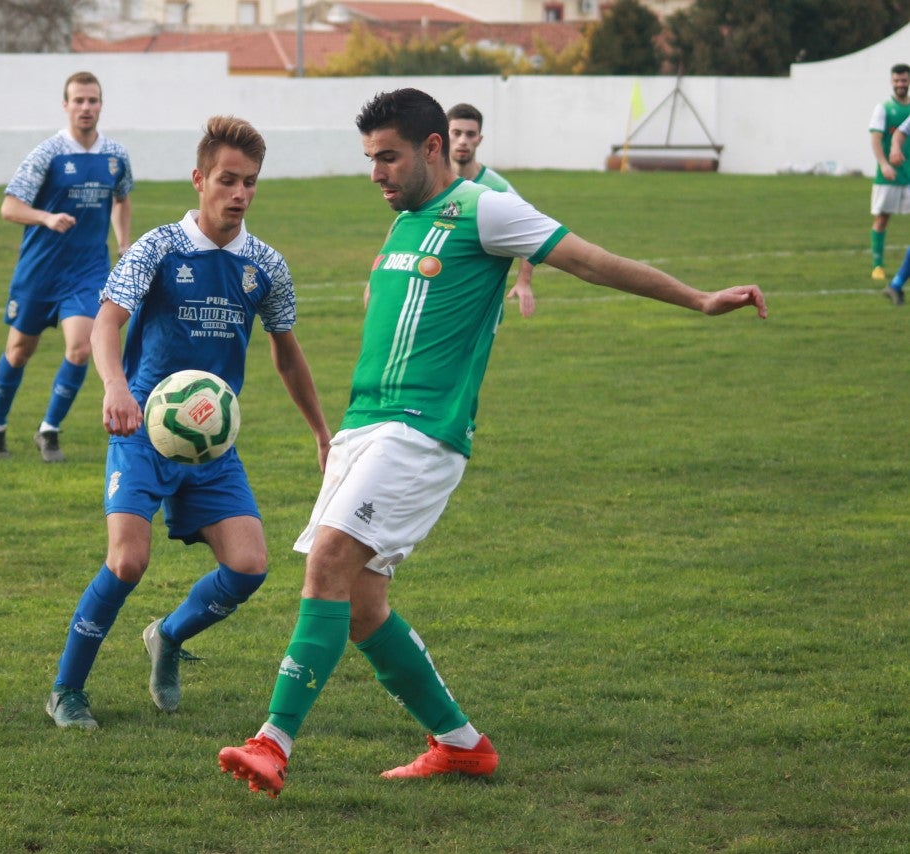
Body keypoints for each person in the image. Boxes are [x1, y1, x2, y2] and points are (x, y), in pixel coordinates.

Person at [218, 88, 767, 798]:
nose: (377, 172)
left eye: (389, 157)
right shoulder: (406, 221)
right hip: (367, 426)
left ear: (435, 147)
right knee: (359, 605)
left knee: (326, 562)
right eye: (370, 159)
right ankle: (461, 744)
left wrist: (697, 299)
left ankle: (273, 743)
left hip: (419, 432)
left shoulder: (487, 208)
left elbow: (591, 260)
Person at [44, 116, 331, 731]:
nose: (240, 194)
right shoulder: (155, 248)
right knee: (127, 562)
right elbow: (107, 322)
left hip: (211, 443)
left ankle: (167, 637)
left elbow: (287, 353)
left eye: (250, 183)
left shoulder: (266, 266)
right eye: (228, 180)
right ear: (199, 179)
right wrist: (116, 388)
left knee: (249, 567)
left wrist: (321, 432)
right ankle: (67, 690)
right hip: (142, 430)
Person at [0, 71, 133, 461]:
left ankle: (49, 430)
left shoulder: (115, 156)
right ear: (65, 105)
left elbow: (121, 198)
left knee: (81, 348)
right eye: (79, 101)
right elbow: (9, 206)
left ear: (101, 104)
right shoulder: (46, 153)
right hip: (40, 269)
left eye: (93, 100)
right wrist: (46, 218)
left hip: (87, 270)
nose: (86, 108)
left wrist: (123, 241)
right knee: (18, 351)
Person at [446, 102, 535, 317]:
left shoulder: (499, 188)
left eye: (470, 134)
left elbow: (533, 232)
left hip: (480, 306)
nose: (463, 141)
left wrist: (523, 281)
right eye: (456, 133)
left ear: (479, 139)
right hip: (440, 297)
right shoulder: (432, 183)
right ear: (444, 135)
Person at [868, 63, 910, 304]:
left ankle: (895, 284)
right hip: (890, 175)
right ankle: (878, 265)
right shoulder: (884, 108)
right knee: (882, 218)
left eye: (904, 80)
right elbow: (879, 138)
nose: (900, 84)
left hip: (909, 174)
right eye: (897, 80)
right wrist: (885, 163)